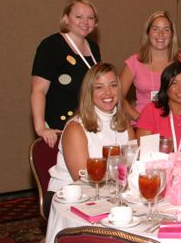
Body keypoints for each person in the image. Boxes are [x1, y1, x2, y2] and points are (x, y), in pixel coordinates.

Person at [47, 63, 134, 215]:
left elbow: (133, 167)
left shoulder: (124, 125)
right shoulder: (76, 128)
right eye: (99, 87)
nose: (108, 93)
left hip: (110, 194)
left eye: (113, 85)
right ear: (89, 92)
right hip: (69, 198)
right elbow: (84, 180)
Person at [31, 0, 101, 148]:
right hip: (59, 128)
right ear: (66, 19)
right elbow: (39, 90)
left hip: (88, 126)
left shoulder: (94, 48)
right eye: (79, 16)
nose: (85, 22)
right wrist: (41, 127)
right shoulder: (51, 45)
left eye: (90, 17)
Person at [120, 11, 181, 123]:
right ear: (148, 33)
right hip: (142, 126)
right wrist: (139, 118)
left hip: (174, 124)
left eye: (166, 30)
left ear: (172, 34)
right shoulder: (134, 62)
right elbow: (117, 95)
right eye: (155, 29)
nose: (161, 34)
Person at [136, 62, 181, 152]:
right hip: (157, 165)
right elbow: (143, 151)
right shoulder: (150, 111)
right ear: (165, 87)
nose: (180, 88)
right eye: (174, 83)